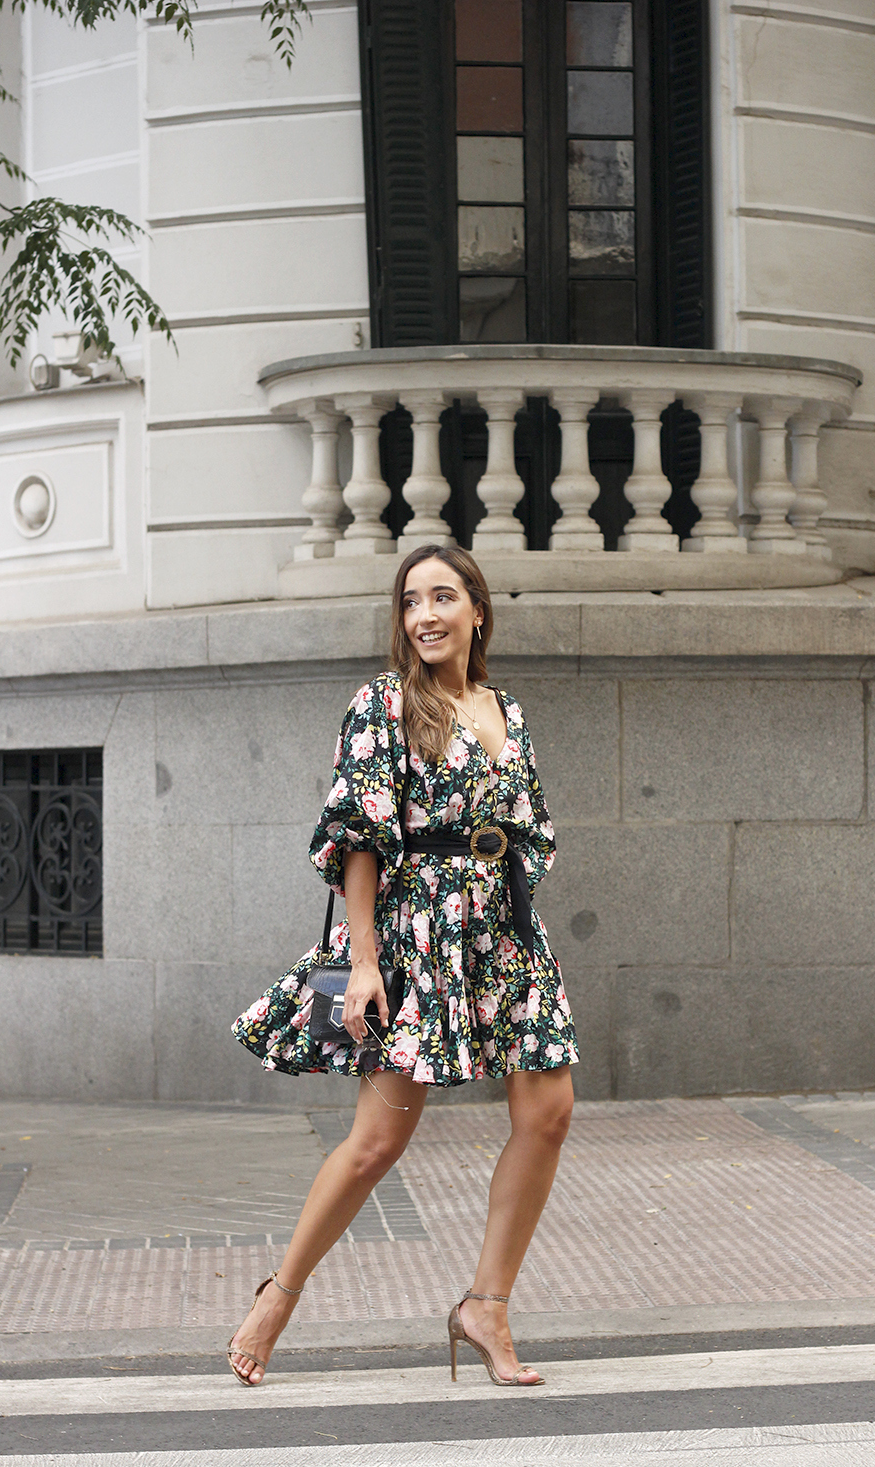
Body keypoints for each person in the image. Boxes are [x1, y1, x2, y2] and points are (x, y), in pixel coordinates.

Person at [229, 544, 579, 1387]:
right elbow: (359, 837)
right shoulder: (384, 704)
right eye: (412, 600)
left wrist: (508, 898)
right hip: (413, 932)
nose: (425, 613)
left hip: (503, 934)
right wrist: (363, 960)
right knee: (379, 1140)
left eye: (444, 596)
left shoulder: (507, 710)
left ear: (478, 611)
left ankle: (485, 1305)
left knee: (550, 1111)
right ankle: (279, 1294)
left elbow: (528, 822)